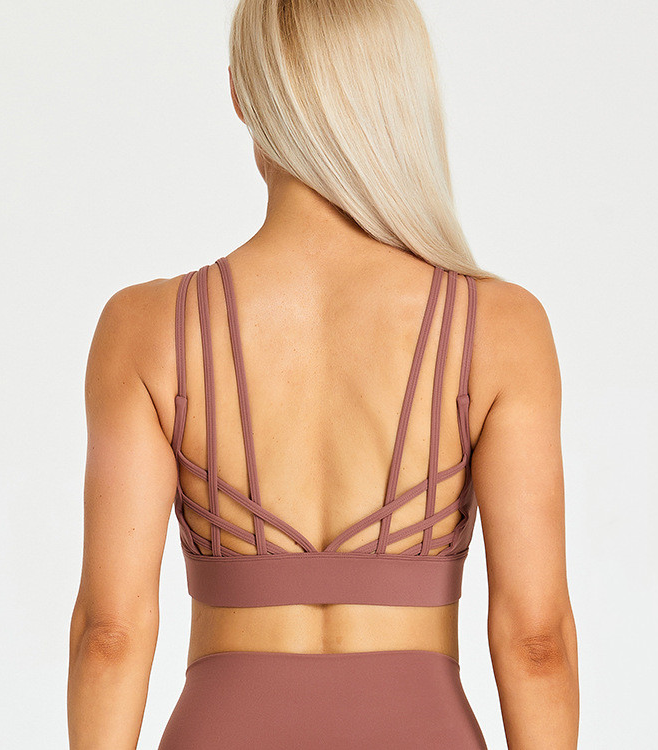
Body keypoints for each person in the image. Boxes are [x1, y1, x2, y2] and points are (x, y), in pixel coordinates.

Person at [67, 1, 579, 747]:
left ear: (241, 94)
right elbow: (537, 641)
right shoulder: (502, 327)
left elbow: (110, 634)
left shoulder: (145, 327)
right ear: (401, 90)